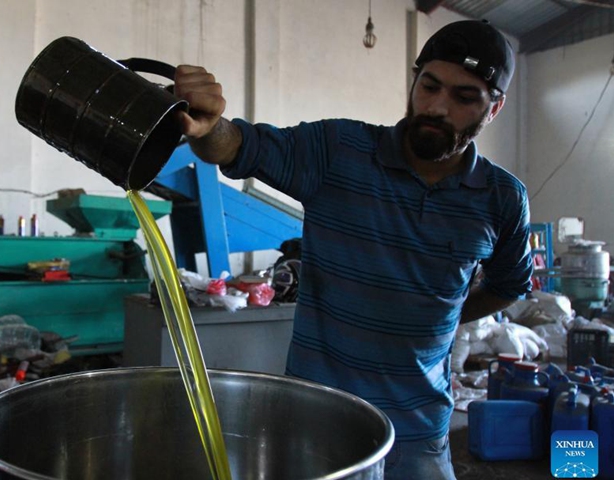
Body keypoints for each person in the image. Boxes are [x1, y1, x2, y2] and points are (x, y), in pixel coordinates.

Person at [173, 19, 533, 480]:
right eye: (429, 86)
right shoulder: (337, 151)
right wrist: (208, 126)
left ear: (494, 107)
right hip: (318, 422)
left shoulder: (502, 197)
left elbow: (510, 284)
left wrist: (440, 318)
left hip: (419, 434)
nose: (437, 107)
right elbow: (239, 146)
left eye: (464, 98)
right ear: (415, 79)